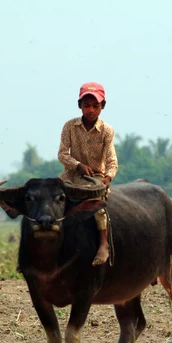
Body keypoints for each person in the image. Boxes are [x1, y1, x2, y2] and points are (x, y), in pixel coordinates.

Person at [58, 82, 118, 266]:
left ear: (103, 106)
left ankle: (103, 243)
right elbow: (62, 154)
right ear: (80, 106)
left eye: (95, 106)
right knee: (51, 198)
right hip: (72, 174)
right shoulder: (70, 126)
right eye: (86, 106)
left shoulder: (107, 130)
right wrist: (78, 165)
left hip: (96, 177)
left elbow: (112, 160)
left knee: (97, 206)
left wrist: (107, 178)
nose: (90, 110)